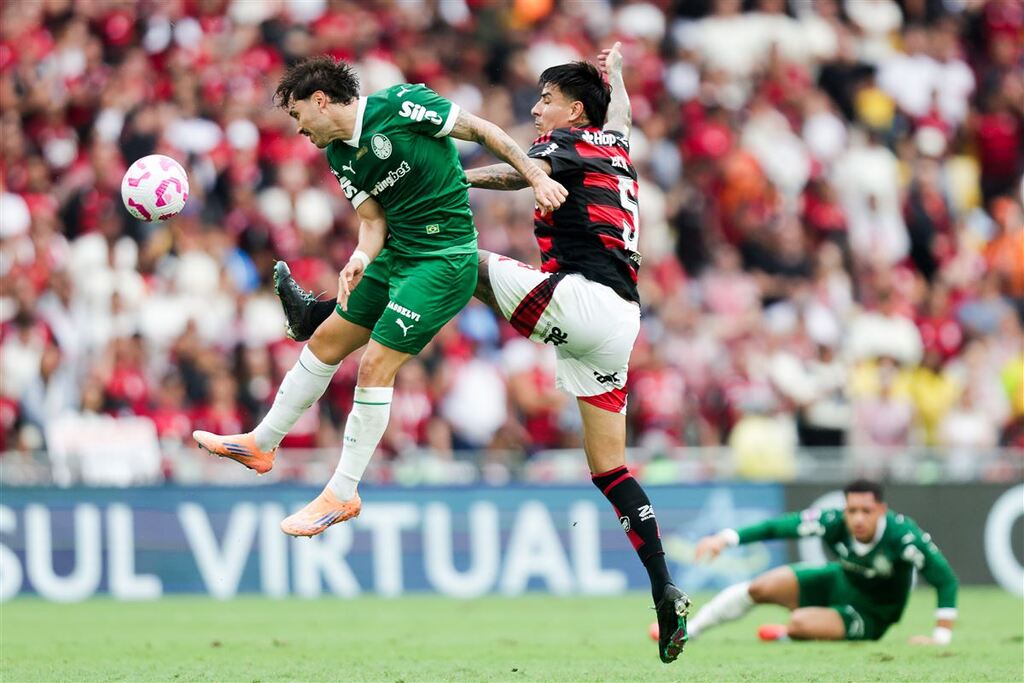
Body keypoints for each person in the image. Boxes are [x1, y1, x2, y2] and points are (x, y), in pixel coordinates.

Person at [273, 44, 691, 665]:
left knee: (453, 259)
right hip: (621, 321)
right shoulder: (615, 142)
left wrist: (450, 180)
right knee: (610, 470)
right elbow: (621, 116)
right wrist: (620, 79)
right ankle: (665, 589)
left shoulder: (566, 144)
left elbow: (517, 170)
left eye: (547, 100)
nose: (537, 110)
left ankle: (318, 318)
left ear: (576, 110)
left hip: (582, 299)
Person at [192, 56, 567, 538]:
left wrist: (536, 176)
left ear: (320, 101)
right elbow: (373, 221)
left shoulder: (403, 104)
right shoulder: (338, 155)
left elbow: (482, 130)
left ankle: (342, 493)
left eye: (298, 115)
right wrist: (359, 258)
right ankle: (261, 444)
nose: (299, 128)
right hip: (396, 255)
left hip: (444, 259)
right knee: (324, 340)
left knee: (374, 365)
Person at [687, 479, 959, 644]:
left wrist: (940, 637)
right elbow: (778, 527)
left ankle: (788, 634)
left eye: (867, 511)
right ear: (845, 510)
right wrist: (725, 538)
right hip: (838, 581)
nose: (859, 519)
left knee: (799, 623)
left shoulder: (904, 536)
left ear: (881, 510)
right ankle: (691, 630)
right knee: (761, 587)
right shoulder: (832, 521)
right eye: (852, 511)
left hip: (871, 613)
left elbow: (946, 581)